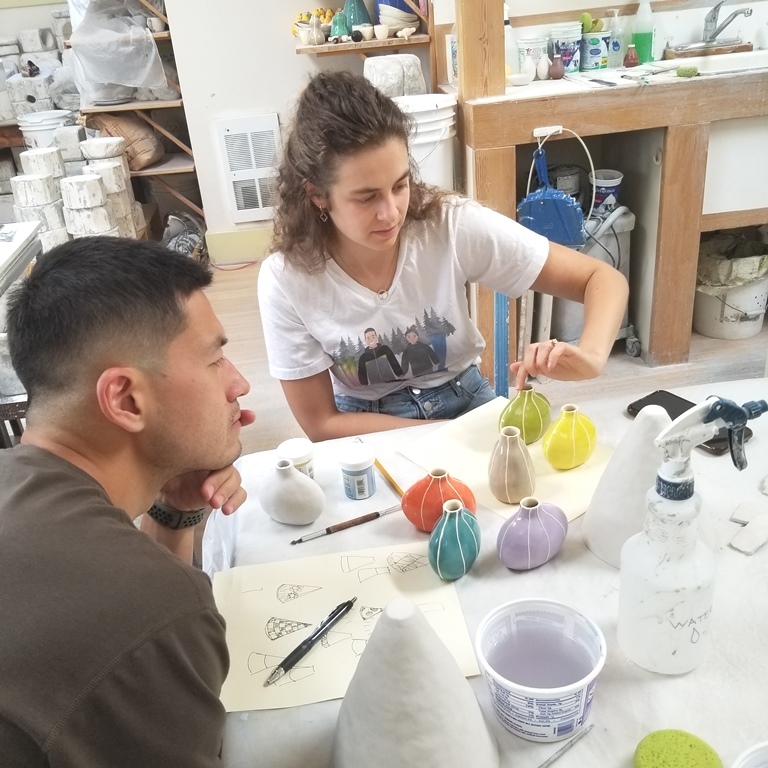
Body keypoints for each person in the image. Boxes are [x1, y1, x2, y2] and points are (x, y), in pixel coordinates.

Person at [258, 71, 628, 442]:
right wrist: (449, 437)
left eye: (400, 185)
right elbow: (322, 424)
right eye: (366, 197)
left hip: (464, 399)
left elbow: (601, 279)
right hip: (366, 426)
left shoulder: (449, 223)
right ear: (318, 195)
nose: (391, 213)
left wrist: (592, 356)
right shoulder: (286, 278)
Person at [0, 237, 256, 766]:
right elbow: (143, 612)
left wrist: (175, 509)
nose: (240, 383)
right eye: (215, 360)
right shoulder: (157, 612)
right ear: (126, 399)